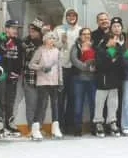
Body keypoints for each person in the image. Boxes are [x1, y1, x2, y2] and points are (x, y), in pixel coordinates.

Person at [28, 31, 64, 140]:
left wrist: (60, 80)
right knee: (41, 104)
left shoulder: (57, 51)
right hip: (43, 81)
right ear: (45, 40)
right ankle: (35, 128)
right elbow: (31, 64)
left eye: (53, 38)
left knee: (55, 104)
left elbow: (59, 67)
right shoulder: (40, 50)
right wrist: (41, 67)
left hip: (54, 81)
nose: (52, 40)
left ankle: (55, 127)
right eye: (50, 38)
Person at [0, 19, 25, 138]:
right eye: (13, 28)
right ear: (6, 29)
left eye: (16, 28)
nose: (15, 30)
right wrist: (5, 43)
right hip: (2, 74)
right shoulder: (0, 39)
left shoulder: (18, 42)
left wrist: (18, 72)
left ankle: (9, 121)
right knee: (0, 98)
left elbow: (20, 58)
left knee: (10, 99)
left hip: (13, 74)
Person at [93, 27, 126, 137]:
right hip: (102, 81)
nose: (116, 41)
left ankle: (112, 122)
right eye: (114, 39)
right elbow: (101, 65)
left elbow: (121, 62)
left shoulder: (117, 49)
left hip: (114, 80)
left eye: (116, 39)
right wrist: (112, 60)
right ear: (109, 40)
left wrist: (115, 57)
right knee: (100, 103)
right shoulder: (100, 50)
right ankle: (98, 122)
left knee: (113, 103)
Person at [55, 9, 83, 137]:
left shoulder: (80, 30)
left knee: (73, 98)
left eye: (74, 15)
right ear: (65, 17)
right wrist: (61, 42)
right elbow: (52, 45)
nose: (71, 17)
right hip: (61, 67)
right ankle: (59, 125)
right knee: (60, 98)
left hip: (75, 68)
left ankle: (69, 125)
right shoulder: (58, 29)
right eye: (69, 15)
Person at [70, 29, 99, 136]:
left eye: (88, 34)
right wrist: (86, 67)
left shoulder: (95, 46)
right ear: (80, 35)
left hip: (92, 79)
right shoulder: (75, 46)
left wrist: (94, 66)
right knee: (78, 104)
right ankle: (77, 128)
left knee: (93, 104)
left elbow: (99, 58)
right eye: (84, 34)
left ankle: (94, 127)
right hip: (79, 79)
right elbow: (74, 60)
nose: (86, 36)